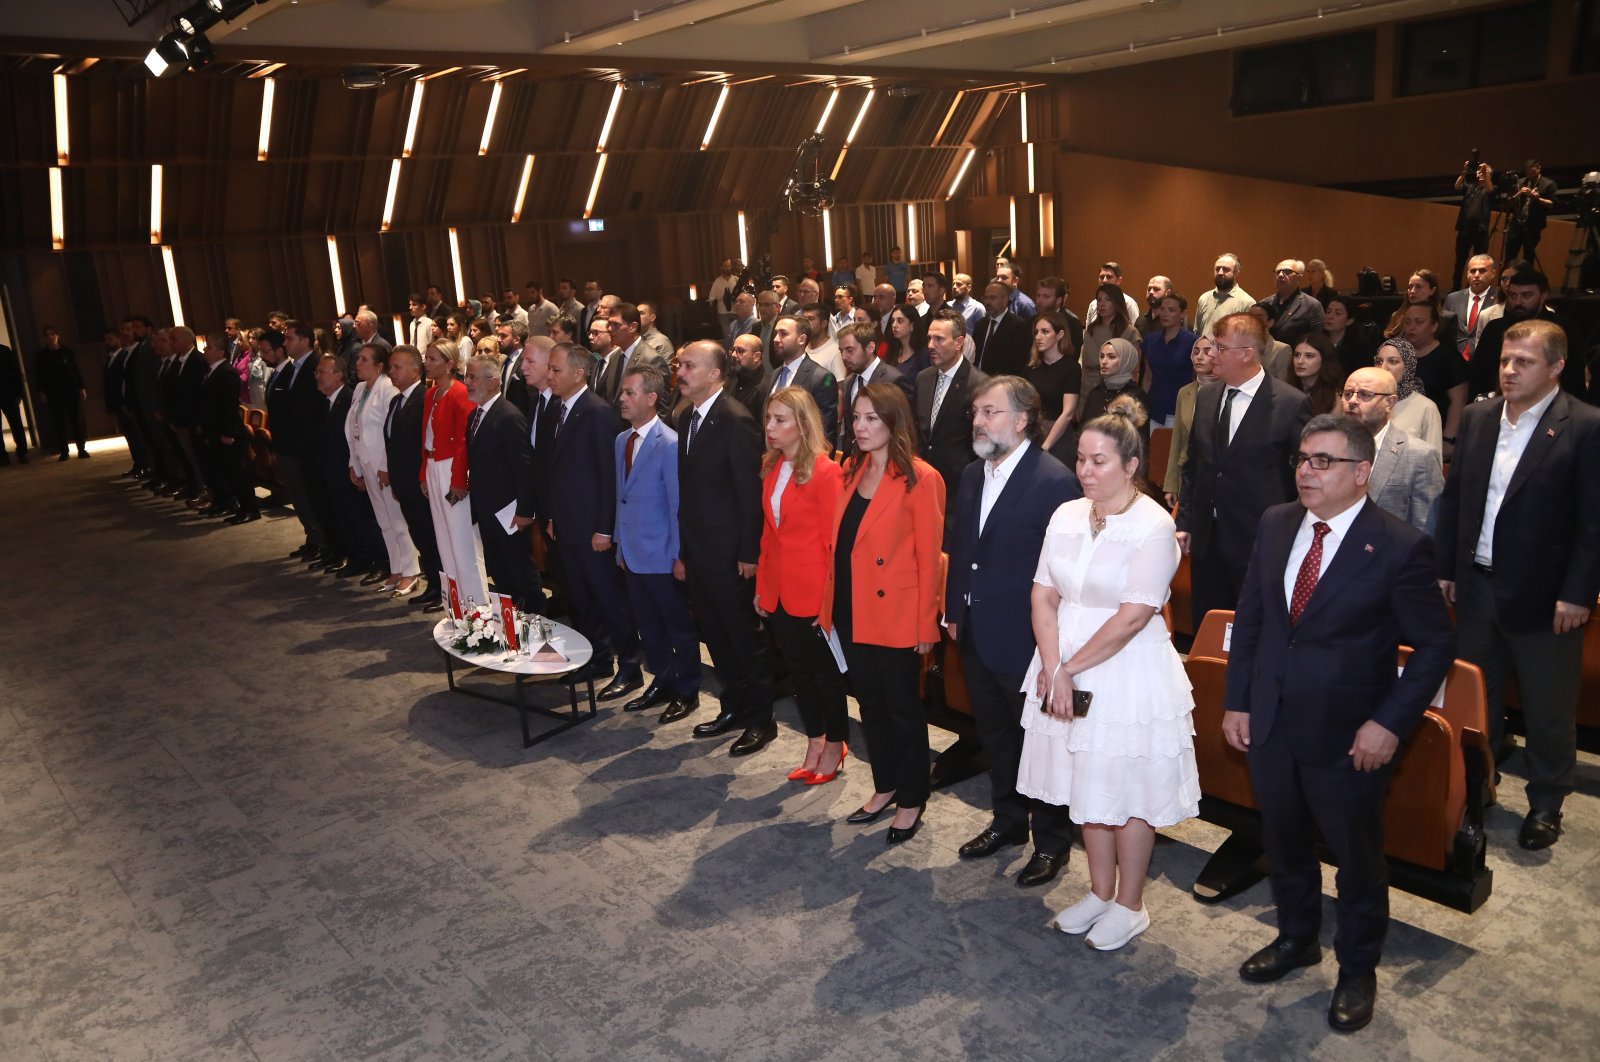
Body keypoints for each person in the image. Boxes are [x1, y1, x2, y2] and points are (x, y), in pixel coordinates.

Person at [1225, 414, 1454, 1032]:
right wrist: (1237, 699)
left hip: (1351, 736)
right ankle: (1297, 936)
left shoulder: (1399, 545)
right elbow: (1251, 621)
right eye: (1302, 458)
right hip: (1270, 722)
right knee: (1286, 844)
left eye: (1322, 461)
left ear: (1361, 473)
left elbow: (1435, 646)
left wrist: (1390, 723)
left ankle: (1357, 968)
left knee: (1357, 860)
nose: (1306, 470)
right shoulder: (1276, 524)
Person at [1018, 394, 1198, 951]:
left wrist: (1068, 668)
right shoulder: (1066, 513)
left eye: (1099, 461)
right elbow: (1043, 593)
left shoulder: (1153, 526)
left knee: (1125, 789)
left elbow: (1132, 617)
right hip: (1062, 661)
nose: (1086, 471)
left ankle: (1131, 903)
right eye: (1081, 460)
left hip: (1125, 671)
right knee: (1085, 782)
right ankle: (1099, 893)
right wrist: (1052, 667)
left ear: (1130, 466)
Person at [1437, 320, 1600, 851]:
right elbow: (1456, 501)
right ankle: (1476, 790)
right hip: (1478, 587)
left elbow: (1593, 522)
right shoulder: (1481, 416)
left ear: (1556, 367)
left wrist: (1578, 593)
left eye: (1523, 362)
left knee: (1548, 707)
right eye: (1506, 360)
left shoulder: (1585, 425)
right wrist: (1446, 569)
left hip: (1548, 597)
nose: (1509, 370)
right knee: (1475, 701)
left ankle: (1547, 801)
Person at [946, 376, 1081, 885]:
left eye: (990, 412)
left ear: (1022, 420)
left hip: (1029, 641)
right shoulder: (971, 475)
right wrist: (954, 612)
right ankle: (1007, 821)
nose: (979, 421)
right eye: (976, 412)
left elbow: (1064, 576)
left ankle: (1051, 842)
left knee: (1041, 743)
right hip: (977, 630)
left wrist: (1056, 653)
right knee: (997, 737)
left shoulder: (1054, 481)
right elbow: (963, 549)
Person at [820, 382, 945, 844]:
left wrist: (925, 624)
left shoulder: (920, 476)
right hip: (851, 609)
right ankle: (885, 785)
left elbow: (930, 558)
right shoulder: (850, 469)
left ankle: (912, 797)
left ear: (894, 423)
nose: (861, 427)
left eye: (872, 418)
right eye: (856, 417)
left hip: (896, 613)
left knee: (902, 709)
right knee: (869, 705)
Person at [1176, 313, 1311, 630]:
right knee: (1208, 631)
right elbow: (1193, 465)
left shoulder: (1291, 404)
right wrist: (1186, 522)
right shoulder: (1207, 396)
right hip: (1207, 544)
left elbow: (1303, 479)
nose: (1211, 354)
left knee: (1256, 633)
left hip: (1259, 544)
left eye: (1220, 348)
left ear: (1247, 353)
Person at [675, 340, 777, 755]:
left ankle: (761, 720)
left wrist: (749, 554)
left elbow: (748, 494)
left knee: (741, 638)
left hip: (729, 554)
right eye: (680, 365)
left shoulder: (735, 420)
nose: (680, 372)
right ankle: (733, 706)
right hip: (698, 549)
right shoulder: (686, 418)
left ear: (714, 374)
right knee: (714, 635)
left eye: (689, 365)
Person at [756, 386, 848, 783]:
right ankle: (815, 739)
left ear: (802, 424)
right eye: (768, 419)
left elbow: (835, 543)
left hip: (813, 592)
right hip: (779, 589)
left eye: (780, 420)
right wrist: (762, 584)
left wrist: (830, 602)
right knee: (798, 672)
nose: (770, 428)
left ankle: (836, 744)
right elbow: (768, 534)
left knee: (824, 675)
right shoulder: (773, 466)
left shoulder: (826, 471)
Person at [545, 342, 640, 698]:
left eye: (556, 370)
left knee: (609, 599)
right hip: (568, 523)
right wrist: (554, 515)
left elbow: (608, 475)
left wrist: (604, 527)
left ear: (578, 373)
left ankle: (630, 667)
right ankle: (596, 659)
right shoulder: (559, 408)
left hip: (593, 528)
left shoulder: (597, 412)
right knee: (581, 599)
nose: (550, 376)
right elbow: (556, 470)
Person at [614, 366, 700, 723]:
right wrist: (620, 545)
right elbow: (621, 497)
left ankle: (688, 690)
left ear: (651, 399)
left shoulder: (669, 443)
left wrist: (679, 554)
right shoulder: (622, 441)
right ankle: (663, 679)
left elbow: (677, 503)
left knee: (677, 625)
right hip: (633, 552)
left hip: (663, 554)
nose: (622, 398)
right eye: (622, 392)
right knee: (647, 625)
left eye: (630, 392)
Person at [462, 352, 543, 614]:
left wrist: (524, 511)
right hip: (487, 509)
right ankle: (512, 621)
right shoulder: (475, 415)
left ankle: (539, 621)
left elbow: (524, 468)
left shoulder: (508, 415)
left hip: (509, 512)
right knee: (498, 570)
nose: (467, 382)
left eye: (473, 377)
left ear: (494, 381)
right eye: (467, 376)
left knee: (520, 569)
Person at [346, 343, 420, 594]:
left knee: (397, 519)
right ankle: (396, 567)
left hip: (383, 465)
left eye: (364, 359)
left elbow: (391, 432)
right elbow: (352, 428)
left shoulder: (387, 389)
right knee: (384, 521)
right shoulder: (358, 389)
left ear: (379, 366)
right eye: (357, 359)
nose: (358, 363)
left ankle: (411, 570)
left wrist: (385, 466)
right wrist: (353, 463)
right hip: (365, 462)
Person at [420, 338, 488, 605]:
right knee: (444, 539)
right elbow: (425, 439)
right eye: (426, 358)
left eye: (433, 359)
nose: (426, 363)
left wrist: (459, 479)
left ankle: (478, 606)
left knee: (463, 542)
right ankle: (456, 605)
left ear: (450, 364)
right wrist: (423, 472)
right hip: (435, 466)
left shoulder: (460, 392)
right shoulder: (430, 394)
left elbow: (464, 440)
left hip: (452, 468)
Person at [1339, 366, 1442, 536]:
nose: (1352, 401)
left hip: (1388, 558)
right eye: (1348, 393)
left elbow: (1426, 530)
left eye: (1365, 394)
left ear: (1390, 403)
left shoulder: (1419, 455)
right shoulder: (1328, 448)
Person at [916, 311, 988, 543]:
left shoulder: (979, 384)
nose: (931, 345)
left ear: (959, 342)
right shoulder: (923, 378)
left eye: (939, 339)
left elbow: (982, 446)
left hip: (958, 491)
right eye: (929, 338)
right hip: (923, 483)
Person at [383, 345, 440, 606]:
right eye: (390, 367)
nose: (391, 372)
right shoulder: (397, 401)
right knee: (420, 537)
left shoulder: (425, 398)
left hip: (421, 484)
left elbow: (425, 445)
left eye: (397, 367)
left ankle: (441, 588)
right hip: (404, 485)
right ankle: (433, 585)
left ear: (416, 371)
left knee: (430, 537)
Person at [1396, 302, 1465, 459]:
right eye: (1407, 322)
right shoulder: (1397, 355)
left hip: (1434, 433)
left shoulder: (1448, 357)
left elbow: (1459, 400)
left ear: (1434, 326)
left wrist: (1448, 439)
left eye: (1419, 322)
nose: (1411, 327)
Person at [1065, 339, 1149, 467]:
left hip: (1120, 464)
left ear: (1126, 360)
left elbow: (1139, 443)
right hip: (1089, 460)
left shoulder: (1136, 396)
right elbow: (1083, 430)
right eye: (1101, 356)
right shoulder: (1096, 392)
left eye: (1111, 357)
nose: (1104, 361)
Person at [836, 321, 912, 454]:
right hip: (854, 463)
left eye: (849, 350)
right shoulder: (849, 382)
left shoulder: (894, 380)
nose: (844, 357)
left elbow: (904, 430)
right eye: (841, 351)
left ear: (870, 347)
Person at [1162, 334, 1217, 508]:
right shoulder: (1185, 392)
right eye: (1196, 351)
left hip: (1216, 476)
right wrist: (1170, 484)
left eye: (1207, 352)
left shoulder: (1229, 391)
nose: (1199, 357)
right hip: (1187, 475)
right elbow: (1176, 441)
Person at [1374, 340, 1443, 454]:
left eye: (1393, 361)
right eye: (1379, 361)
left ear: (1408, 366)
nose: (1383, 368)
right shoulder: (1366, 402)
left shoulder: (1426, 407)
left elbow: (1433, 463)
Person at [1030, 313, 1082, 457]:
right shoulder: (1031, 368)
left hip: (1059, 434)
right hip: (1032, 431)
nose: (1038, 336)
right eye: (1036, 332)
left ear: (1059, 335)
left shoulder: (1071, 368)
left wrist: (1046, 445)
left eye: (1045, 331)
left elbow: (1068, 412)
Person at [1140, 293, 1195, 427]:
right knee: (1155, 446)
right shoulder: (1150, 340)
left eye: (1171, 310)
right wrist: (1141, 405)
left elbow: (1196, 379)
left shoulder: (1192, 342)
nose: (1165, 314)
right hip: (1154, 407)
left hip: (1179, 408)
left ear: (1182, 314)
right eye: (1163, 309)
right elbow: (1147, 377)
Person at [33, 328, 88, 460]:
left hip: (70, 389)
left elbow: (75, 370)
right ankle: (64, 451)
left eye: (52, 334)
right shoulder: (41, 355)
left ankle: (81, 449)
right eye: (47, 335)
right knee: (59, 423)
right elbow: (39, 375)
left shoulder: (67, 351)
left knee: (75, 420)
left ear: (58, 335)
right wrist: (42, 391)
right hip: (53, 392)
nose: (50, 337)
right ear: (44, 338)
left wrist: (81, 387)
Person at [1082, 284, 1140, 394]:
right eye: (1099, 300)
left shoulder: (1129, 332)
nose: (1102, 304)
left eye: (1108, 299)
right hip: (1089, 389)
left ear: (1117, 303)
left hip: (1119, 391)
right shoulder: (1091, 330)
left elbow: (1135, 371)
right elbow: (1085, 366)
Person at [1503, 159, 1557, 268]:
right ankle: (1506, 282)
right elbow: (1509, 202)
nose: (1528, 173)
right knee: (1509, 256)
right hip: (1516, 225)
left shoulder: (1548, 184)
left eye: (1531, 170)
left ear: (1538, 168)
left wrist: (1538, 198)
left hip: (1533, 226)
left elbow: (1552, 204)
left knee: (1528, 257)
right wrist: (1519, 193)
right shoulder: (1520, 182)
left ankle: (1526, 283)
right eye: (1527, 170)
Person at [972, 281, 1031, 377]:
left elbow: (1018, 363)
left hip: (1001, 382)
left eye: (993, 298)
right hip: (976, 379)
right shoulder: (980, 324)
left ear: (1005, 299)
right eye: (986, 298)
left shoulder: (1018, 326)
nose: (987, 302)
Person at [1258, 260, 1325, 345]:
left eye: (1287, 272)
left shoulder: (1312, 306)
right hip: (1267, 356)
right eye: (1277, 272)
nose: (1280, 275)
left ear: (1299, 277)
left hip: (1296, 355)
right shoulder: (1265, 304)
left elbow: (1318, 340)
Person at [1444, 254, 1498, 358]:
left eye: (1482, 271)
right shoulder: (1452, 298)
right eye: (1473, 271)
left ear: (1492, 273)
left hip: (1485, 358)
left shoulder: (1499, 299)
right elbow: (1444, 331)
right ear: (1467, 273)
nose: (1476, 275)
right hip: (1455, 358)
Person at [1453, 161, 1494, 290]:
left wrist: (1485, 173)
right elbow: (1457, 186)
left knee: (1480, 262)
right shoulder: (1470, 187)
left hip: (1480, 231)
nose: (1481, 174)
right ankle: (1455, 287)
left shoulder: (1490, 189)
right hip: (1464, 230)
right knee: (1460, 261)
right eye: (1480, 172)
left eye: (1484, 172)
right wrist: (1465, 172)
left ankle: (1479, 288)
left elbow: (1490, 189)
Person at [1194, 253, 1254, 338]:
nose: (1220, 272)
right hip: (1204, 350)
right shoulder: (1204, 298)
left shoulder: (1247, 303)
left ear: (1236, 273)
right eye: (1217, 269)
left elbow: (1247, 338)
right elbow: (1197, 333)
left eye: (1226, 269)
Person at [1323, 295, 1380, 380]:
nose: (1330, 316)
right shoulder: (1317, 341)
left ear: (1349, 321)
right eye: (1328, 312)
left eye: (1337, 313)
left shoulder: (1360, 348)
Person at [1285, 333, 1343, 416]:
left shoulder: (1333, 398)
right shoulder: (1286, 390)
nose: (1300, 361)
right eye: (1297, 355)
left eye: (1309, 356)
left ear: (1324, 360)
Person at [883, 304, 929, 378]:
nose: (894, 325)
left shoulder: (923, 355)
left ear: (912, 325)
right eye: (892, 321)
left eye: (900, 321)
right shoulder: (892, 351)